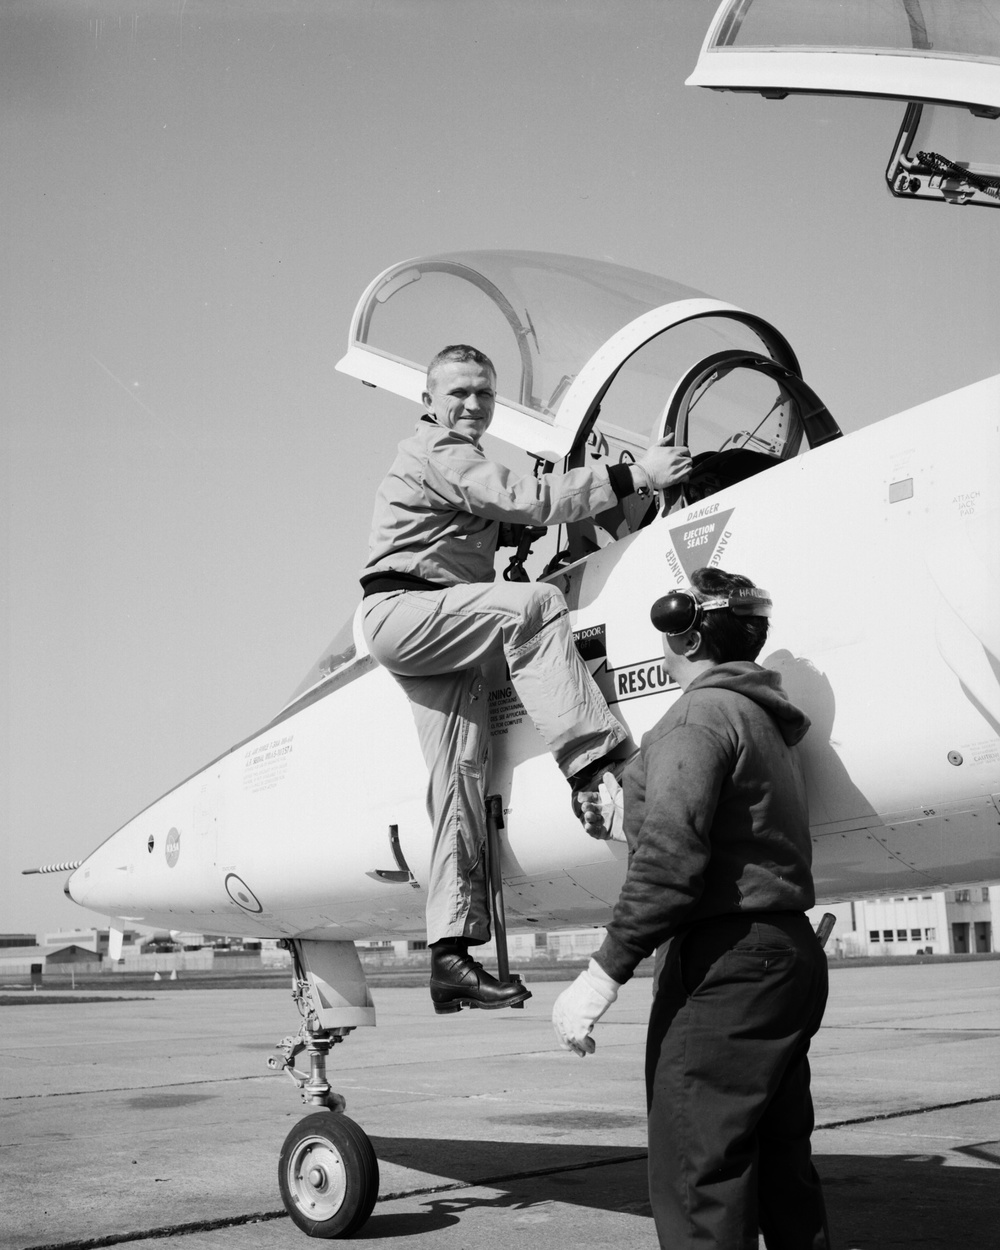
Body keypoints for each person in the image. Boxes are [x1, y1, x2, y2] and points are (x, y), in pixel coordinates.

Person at [360, 344, 691, 1015]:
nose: (473, 404)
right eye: (458, 392)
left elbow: (494, 516)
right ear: (430, 400)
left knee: (459, 780)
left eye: (483, 393)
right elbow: (528, 498)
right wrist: (637, 477)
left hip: (432, 620)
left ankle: (449, 957)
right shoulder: (439, 449)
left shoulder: (456, 456)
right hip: (406, 612)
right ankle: (598, 767)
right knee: (538, 605)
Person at [552, 567, 830, 1250]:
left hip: (726, 969)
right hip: (786, 956)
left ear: (686, 633)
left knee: (697, 1176)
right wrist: (636, 806)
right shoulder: (764, 720)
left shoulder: (696, 717)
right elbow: (735, 827)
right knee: (780, 1172)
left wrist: (602, 973)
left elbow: (672, 862)